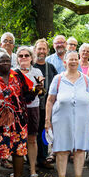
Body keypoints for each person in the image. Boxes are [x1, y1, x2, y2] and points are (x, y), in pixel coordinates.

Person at [45, 51, 89, 177]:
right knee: (62, 150)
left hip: (83, 120)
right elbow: (50, 100)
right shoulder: (58, 79)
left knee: (80, 150)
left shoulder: (86, 79)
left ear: (79, 61)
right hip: (61, 120)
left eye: (76, 59)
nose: (73, 62)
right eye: (70, 59)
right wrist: (47, 120)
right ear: (65, 62)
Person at [16, 46, 44, 177]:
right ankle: (18, 170)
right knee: (18, 139)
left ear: (31, 57)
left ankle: (33, 168)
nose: (23, 58)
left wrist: (38, 88)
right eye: (20, 56)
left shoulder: (37, 71)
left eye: (26, 55)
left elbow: (41, 92)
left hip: (33, 108)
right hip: (17, 109)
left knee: (32, 139)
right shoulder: (13, 73)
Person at [33, 39, 58, 169]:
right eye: (39, 49)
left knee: (44, 132)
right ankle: (32, 159)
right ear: (35, 49)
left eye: (44, 49)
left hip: (46, 106)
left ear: (47, 51)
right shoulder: (30, 66)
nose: (42, 51)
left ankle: (42, 158)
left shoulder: (51, 67)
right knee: (32, 133)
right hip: (32, 106)